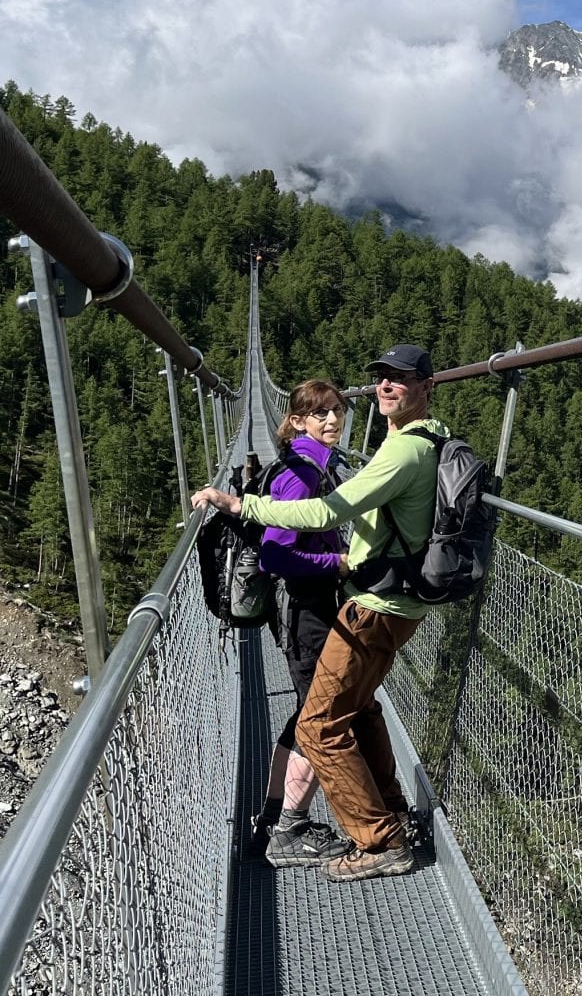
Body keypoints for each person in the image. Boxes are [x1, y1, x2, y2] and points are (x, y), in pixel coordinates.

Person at [191, 343, 448, 882]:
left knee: (320, 725)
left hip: (373, 605)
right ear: (296, 420)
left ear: (427, 386)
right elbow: (284, 545)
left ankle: (376, 839)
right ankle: (380, 815)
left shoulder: (398, 452)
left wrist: (242, 504)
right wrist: (336, 558)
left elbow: (328, 512)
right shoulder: (424, 440)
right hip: (372, 603)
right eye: (380, 377)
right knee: (355, 710)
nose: (385, 386)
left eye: (401, 378)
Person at [244, 380, 351, 868]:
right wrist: (338, 563)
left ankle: (273, 815)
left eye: (337, 411)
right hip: (303, 610)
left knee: (308, 710)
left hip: (302, 607)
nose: (332, 420)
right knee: (318, 714)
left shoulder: (309, 463)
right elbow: (274, 554)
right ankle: (290, 829)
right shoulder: (302, 474)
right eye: (320, 413)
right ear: (298, 421)